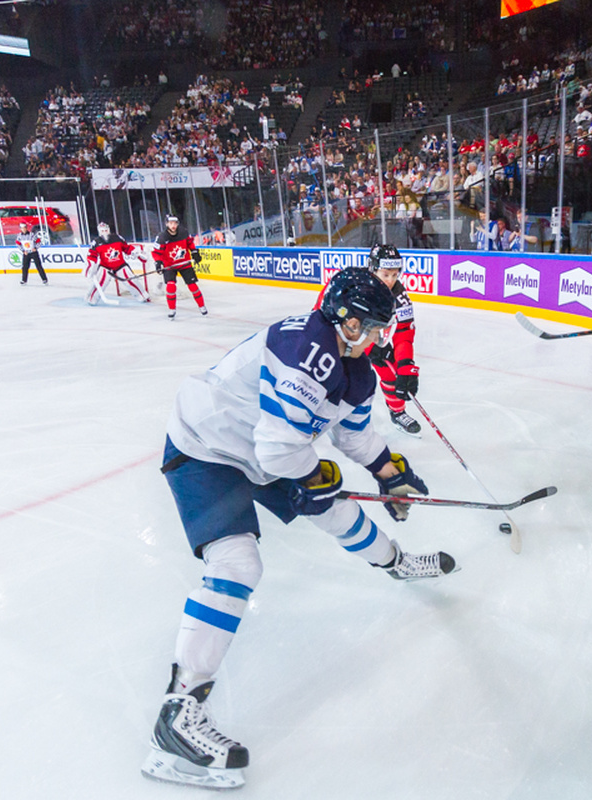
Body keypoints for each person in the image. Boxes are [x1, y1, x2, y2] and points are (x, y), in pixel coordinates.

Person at [144, 267, 457, 789]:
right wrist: (317, 474)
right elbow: (277, 449)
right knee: (238, 562)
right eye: (373, 328)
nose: (380, 338)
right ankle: (177, 714)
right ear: (346, 320)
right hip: (208, 447)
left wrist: (389, 473)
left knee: (332, 507)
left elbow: (351, 439)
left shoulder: (355, 368)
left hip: (262, 448)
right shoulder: (308, 351)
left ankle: (395, 563)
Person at [365, 244, 421, 435]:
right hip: (343, 342)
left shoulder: (399, 295)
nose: (391, 280)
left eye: (395, 275)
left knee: (392, 372)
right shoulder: (357, 288)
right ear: (372, 269)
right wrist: (368, 347)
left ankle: (397, 413)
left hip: (374, 340)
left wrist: (405, 363)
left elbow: (404, 331)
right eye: (385, 274)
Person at [152, 214, 207, 319]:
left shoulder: (184, 232)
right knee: (171, 286)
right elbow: (156, 252)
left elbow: (190, 244)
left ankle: (202, 306)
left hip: (184, 263)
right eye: (171, 223)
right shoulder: (162, 237)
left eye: (175, 223)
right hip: (169, 265)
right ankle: (172, 309)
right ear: (167, 224)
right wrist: (158, 262)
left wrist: (195, 253)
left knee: (193, 286)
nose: (173, 225)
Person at [84, 222, 148, 305]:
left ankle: (142, 296)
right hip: (105, 267)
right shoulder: (96, 242)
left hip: (120, 265)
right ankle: (91, 298)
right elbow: (92, 256)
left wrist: (136, 253)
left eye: (106, 230)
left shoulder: (117, 238)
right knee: (100, 281)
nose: (104, 232)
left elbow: (126, 248)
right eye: (102, 230)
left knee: (130, 280)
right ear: (99, 231)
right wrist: (90, 267)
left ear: (109, 230)